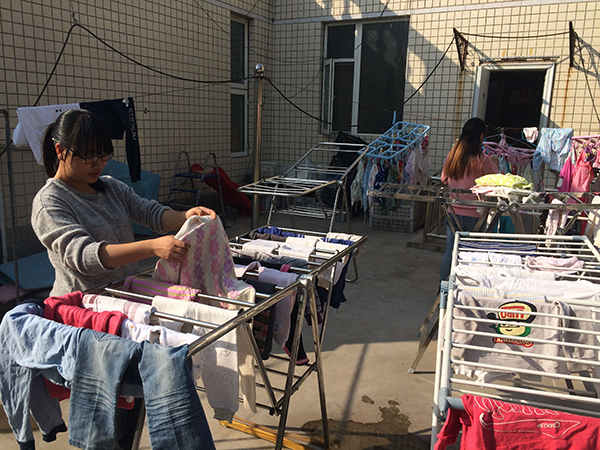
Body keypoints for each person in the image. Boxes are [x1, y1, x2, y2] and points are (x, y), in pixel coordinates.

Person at [31, 108, 216, 296]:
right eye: (89, 157)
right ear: (61, 151)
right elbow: (84, 256)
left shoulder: (111, 187)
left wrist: (185, 216)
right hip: (82, 304)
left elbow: (149, 213)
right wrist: (152, 247)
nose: (98, 164)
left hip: (125, 295)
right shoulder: (50, 201)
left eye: (103, 156)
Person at [439, 117, 498, 281]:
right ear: (481, 136)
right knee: (472, 253)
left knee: (451, 251)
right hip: (475, 214)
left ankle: (444, 289)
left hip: (453, 212)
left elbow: (444, 179)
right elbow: (495, 181)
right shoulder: (483, 160)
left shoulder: (452, 156)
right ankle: (466, 288)